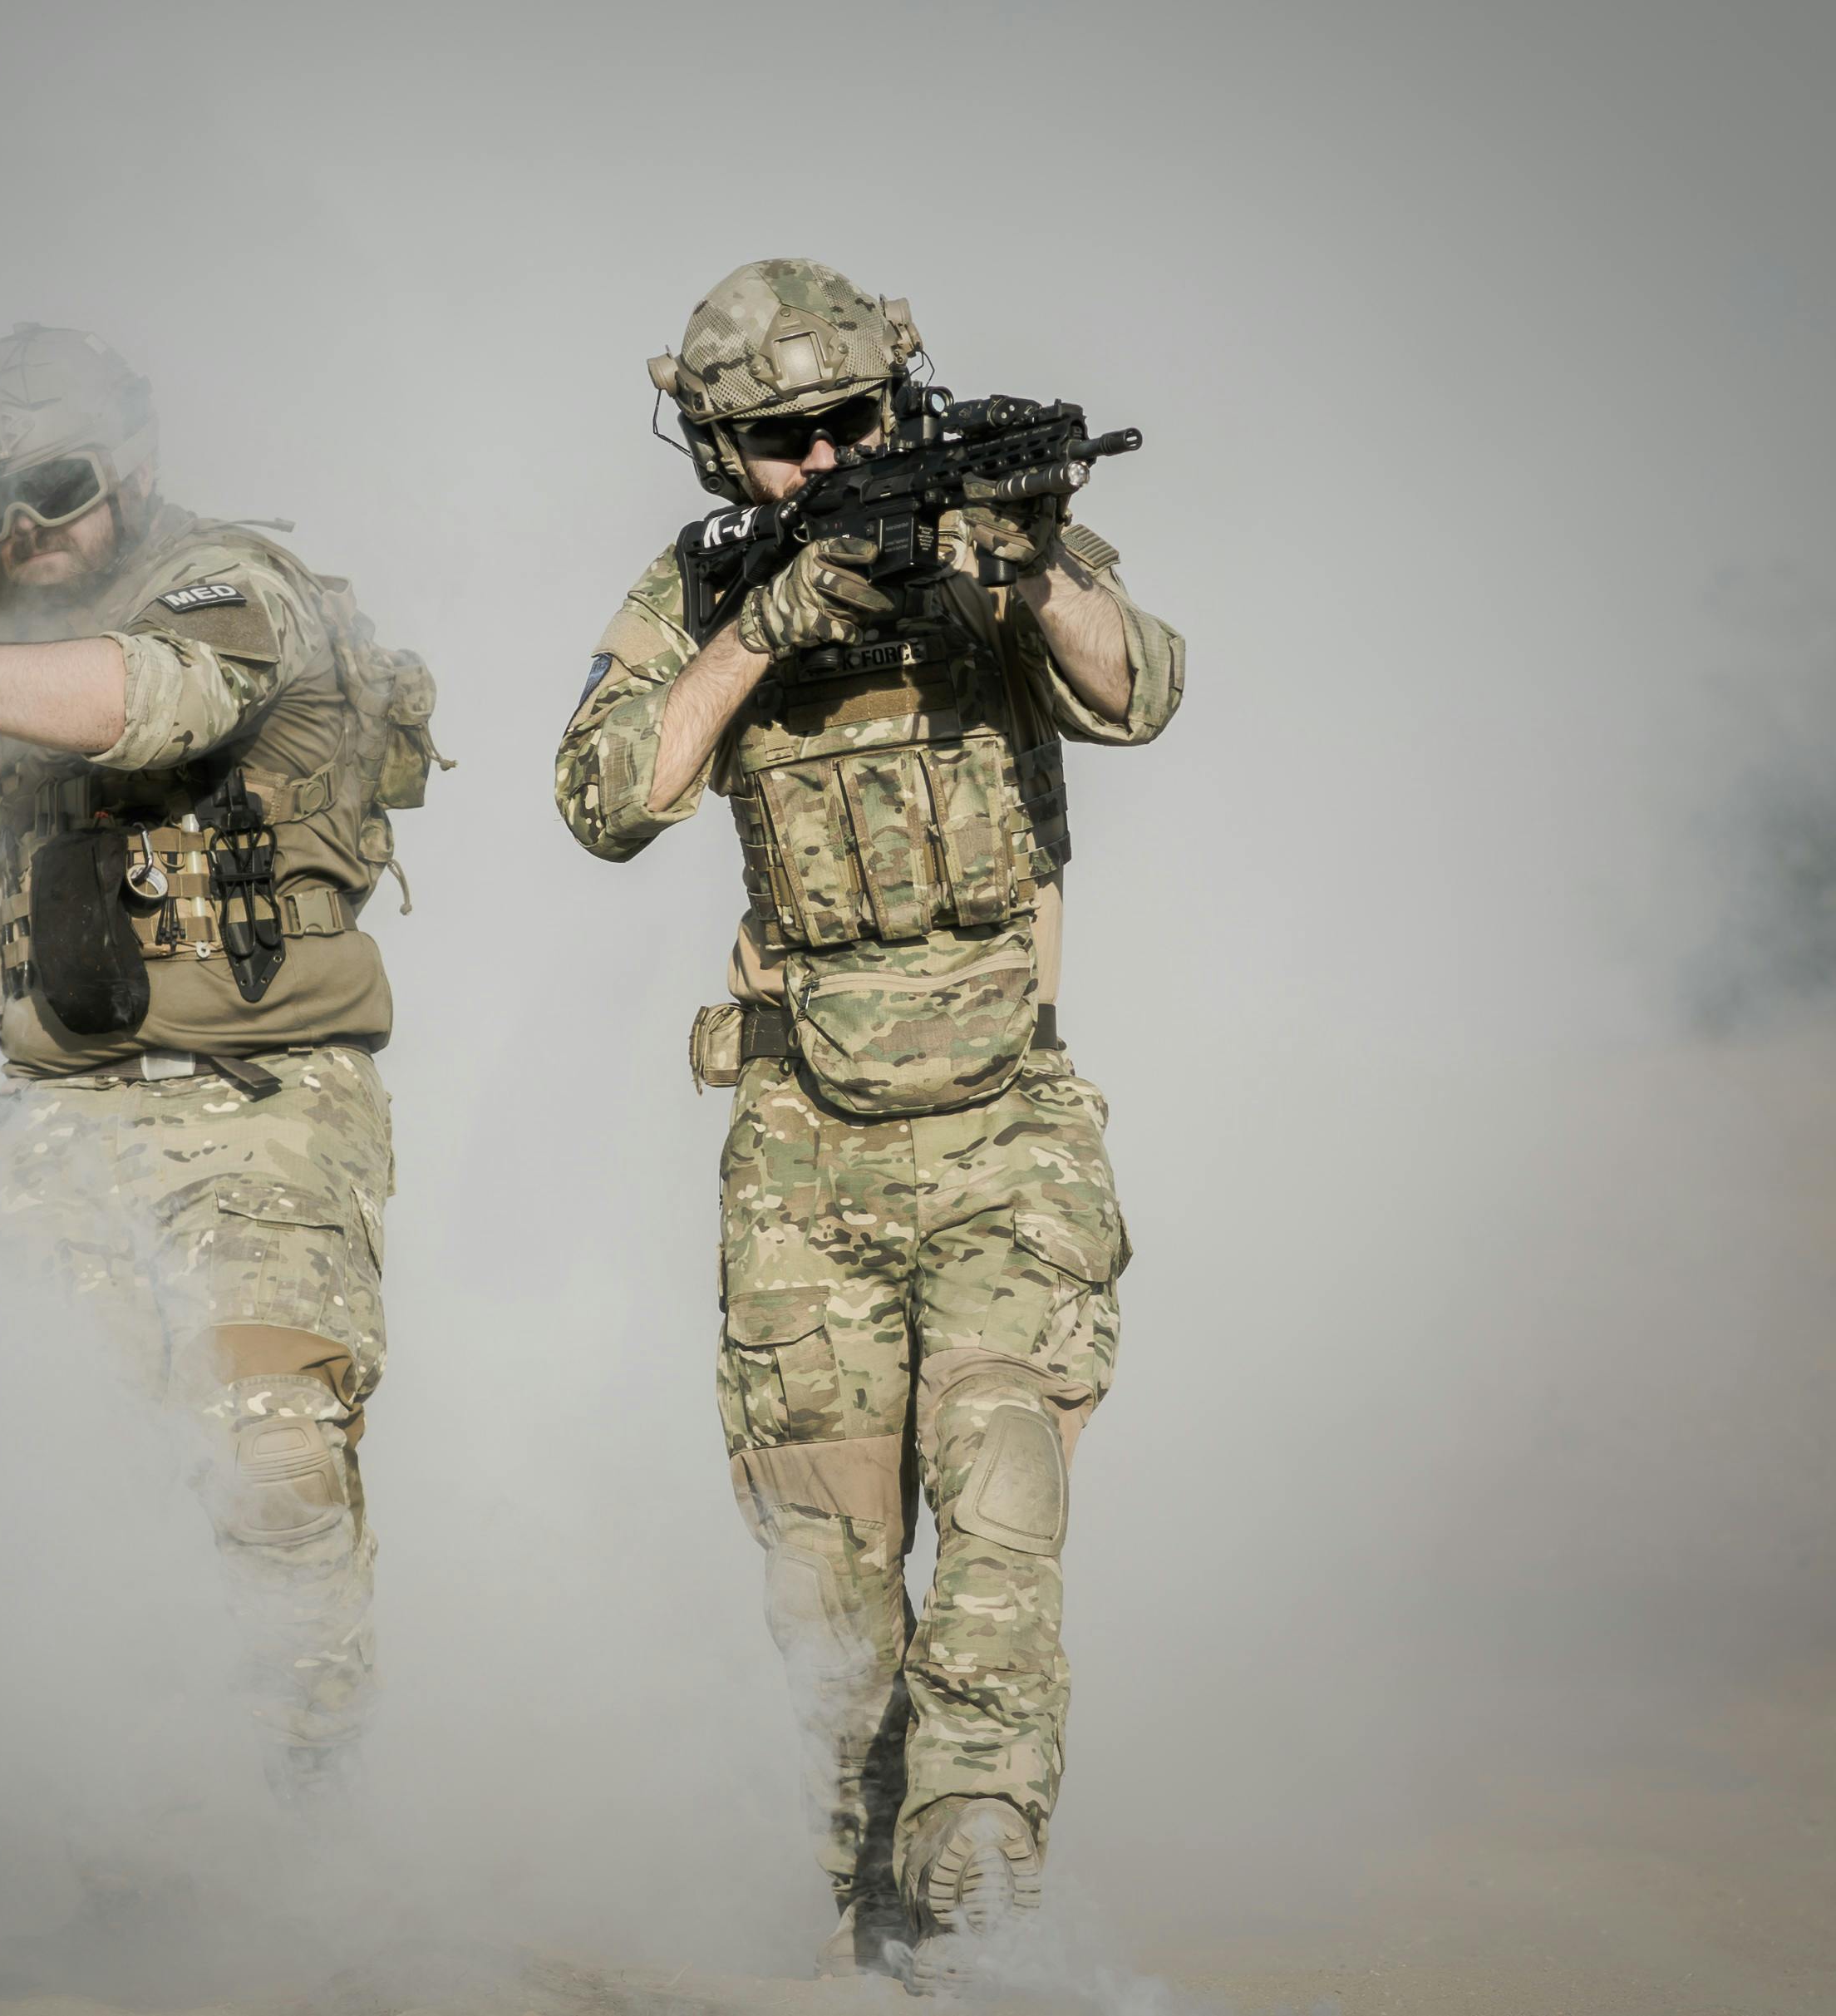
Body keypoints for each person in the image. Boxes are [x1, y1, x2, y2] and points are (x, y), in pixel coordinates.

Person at [554, 262, 1184, 1985]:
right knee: (831, 1616)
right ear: (715, 450)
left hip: (1004, 1129)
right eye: (780, 442)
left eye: (849, 424)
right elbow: (608, 797)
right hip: (803, 1154)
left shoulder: (983, 527)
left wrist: (1030, 563)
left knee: (997, 1490)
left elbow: (1136, 691)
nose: (826, 461)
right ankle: (883, 1930)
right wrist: (769, 623)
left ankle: (982, 1865)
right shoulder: (703, 586)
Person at [0, 324, 445, 1811]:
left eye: (62, 486)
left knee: (273, 1465)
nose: (30, 528)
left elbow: (156, 700)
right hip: (62, 1106)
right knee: (79, 1493)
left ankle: (320, 1831)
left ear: (136, 464)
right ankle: (141, 1852)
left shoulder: (227, 581)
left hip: (257, 1102)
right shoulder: (7, 622)